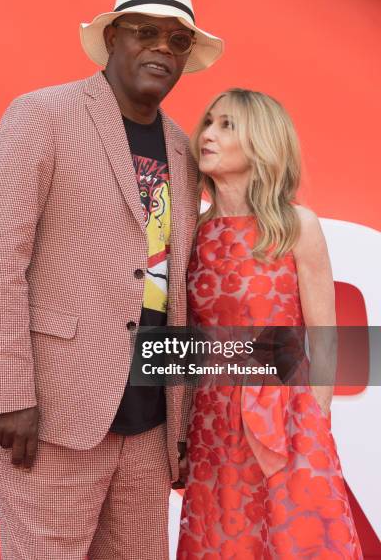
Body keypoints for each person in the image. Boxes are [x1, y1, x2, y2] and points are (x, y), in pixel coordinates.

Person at [0, 0, 223, 560]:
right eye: (144, 31)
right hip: (53, 410)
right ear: (113, 38)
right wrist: (10, 393)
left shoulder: (185, 153)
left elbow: (174, 288)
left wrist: (178, 426)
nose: (161, 47)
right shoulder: (44, 115)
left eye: (177, 39)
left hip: (149, 421)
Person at [177, 89, 362, 559]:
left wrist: (315, 422)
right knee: (224, 542)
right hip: (212, 420)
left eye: (227, 126)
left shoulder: (296, 226)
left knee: (297, 541)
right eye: (209, 122)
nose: (208, 134)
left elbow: (324, 337)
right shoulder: (191, 231)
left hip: (287, 416)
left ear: (261, 143)